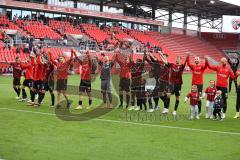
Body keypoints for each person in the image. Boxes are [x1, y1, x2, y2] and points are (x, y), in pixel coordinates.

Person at [115, 44, 132, 109]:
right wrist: (117, 52)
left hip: (127, 79)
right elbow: (117, 59)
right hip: (122, 79)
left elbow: (131, 60)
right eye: (125, 59)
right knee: (120, 91)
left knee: (127, 92)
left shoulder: (129, 64)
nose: (125, 59)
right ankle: (121, 104)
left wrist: (130, 53)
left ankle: (127, 104)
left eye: (126, 59)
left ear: (128, 60)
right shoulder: (122, 64)